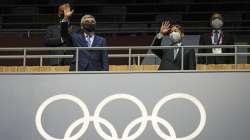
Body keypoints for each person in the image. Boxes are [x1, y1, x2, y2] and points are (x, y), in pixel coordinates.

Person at [45, 0, 77, 66]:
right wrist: (62, 39)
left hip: (72, 62)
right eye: (62, 10)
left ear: (71, 12)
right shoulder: (51, 28)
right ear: (59, 13)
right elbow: (47, 41)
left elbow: (79, 43)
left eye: (67, 9)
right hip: (55, 61)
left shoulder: (77, 29)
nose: (65, 11)